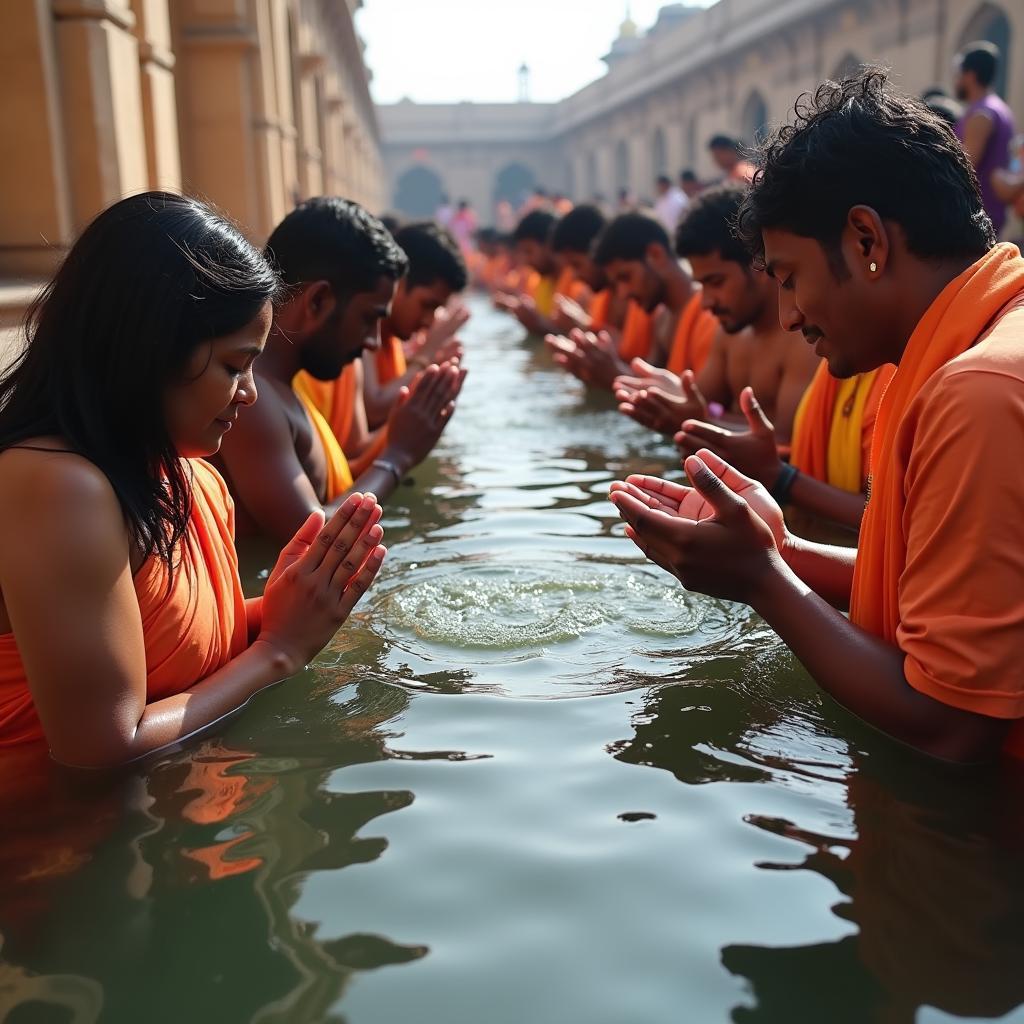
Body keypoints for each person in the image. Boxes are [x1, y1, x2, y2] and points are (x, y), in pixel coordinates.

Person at [611, 70, 1024, 763]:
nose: (789, 314)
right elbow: (933, 583)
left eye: (792, 277)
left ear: (866, 241)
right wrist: (782, 550)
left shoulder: (977, 389)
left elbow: (955, 725)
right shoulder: (971, 350)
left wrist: (763, 582)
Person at [0, 192, 386, 766]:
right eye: (234, 365)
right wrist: (279, 650)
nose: (250, 393)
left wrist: (288, 607)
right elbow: (103, 749)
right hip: (53, 842)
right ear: (149, 347)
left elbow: (193, 640)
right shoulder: (59, 486)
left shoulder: (193, 477)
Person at [218, 197, 464, 546]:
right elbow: (314, 542)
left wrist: (406, 434)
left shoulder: (283, 388)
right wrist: (396, 457)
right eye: (368, 318)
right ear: (317, 302)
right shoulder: (249, 400)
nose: (374, 342)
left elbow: (335, 494)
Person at [615, 185, 818, 441]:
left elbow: (786, 443)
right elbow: (699, 403)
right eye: (701, 284)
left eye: (716, 282)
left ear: (759, 264)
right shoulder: (729, 332)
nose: (706, 303)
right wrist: (664, 396)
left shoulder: (804, 340)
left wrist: (700, 421)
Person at [361, 221, 469, 429]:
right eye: (427, 305)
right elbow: (373, 410)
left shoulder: (392, 337)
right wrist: (428, 353)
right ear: (398, 282)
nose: (429, 321)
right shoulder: (365, 325)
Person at [591, 211, 708, 374]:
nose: (623, 293)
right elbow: (651, 381)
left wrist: (614, 373)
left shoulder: (710, 314)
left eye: (625, 277)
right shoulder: (661, 318)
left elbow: (706, 399)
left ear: (656, 254)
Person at [954, 42, 1016, 236]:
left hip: (976, 224)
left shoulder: (982, 114)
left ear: (970, 76)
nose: (956, 82)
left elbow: (965, 167)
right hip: (988, 221)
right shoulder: (1001, 109)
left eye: (959, 75)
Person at [494, 210, 561, 334]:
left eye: (529, 251)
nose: (526, 260)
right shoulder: (541, 281)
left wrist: (537, 324)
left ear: (549, 245)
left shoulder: (576, 285)